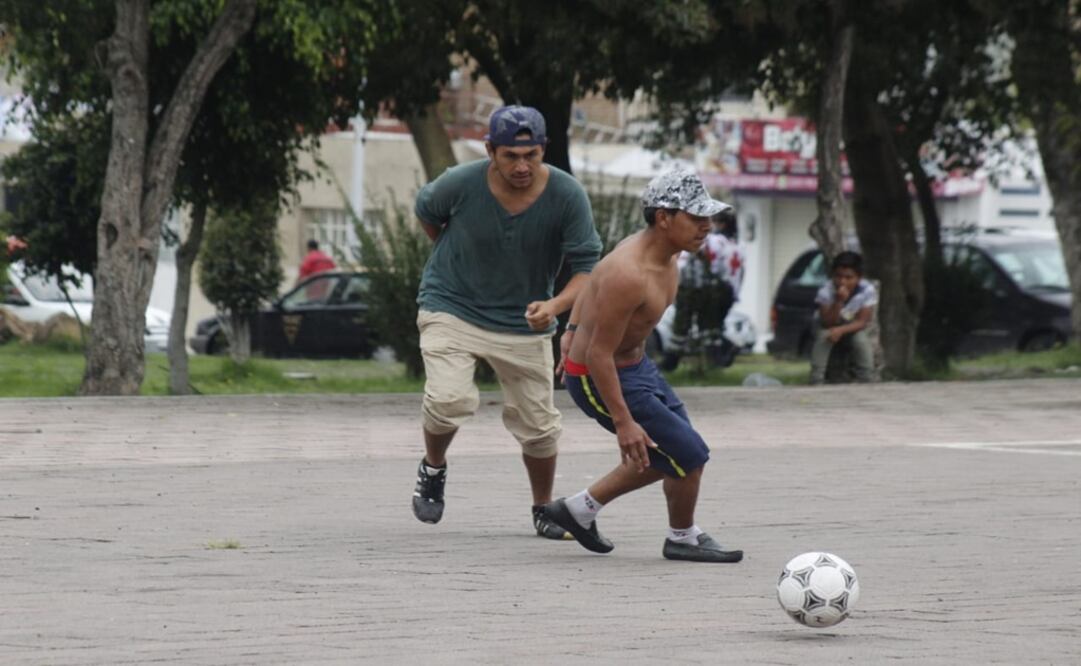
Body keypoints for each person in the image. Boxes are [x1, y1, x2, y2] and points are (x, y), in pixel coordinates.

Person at [411, 105, 602, 540]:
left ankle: (543, 509)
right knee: (447, 399)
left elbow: (587, 269)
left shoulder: (567, 195)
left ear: (543, 151)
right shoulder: (460, 183)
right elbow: (427, 212)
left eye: (531, 156)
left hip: (524, 320)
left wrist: (555, 306)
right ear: (490, 150)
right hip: (451, 304)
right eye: (511, 156)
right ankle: (434, 467)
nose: (521, 166)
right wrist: (454, 256)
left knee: (539, 427)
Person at [539, 168, 744, 563]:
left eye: (708, 217)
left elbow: (591, 281)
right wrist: (623, 422)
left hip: (637, 368)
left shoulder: (663, 254)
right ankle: (681, 537)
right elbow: (599, 354)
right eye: (696, 217)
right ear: (664, 218)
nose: (706, 226)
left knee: (676, 451)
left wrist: (572, 328)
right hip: (600, 378)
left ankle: (579, 510)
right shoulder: (629, 273)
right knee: (689, 455)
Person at [810, 250, 877, 385]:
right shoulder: (826, 291)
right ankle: (816, 379)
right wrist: (838, 301)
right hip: (827, 325)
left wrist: (841, 330)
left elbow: (862, 322)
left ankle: (867, 378)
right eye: (838, 276)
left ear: (859, 278)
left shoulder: (866, 290)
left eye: (849, 277)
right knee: (825, 336)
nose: (842, 282)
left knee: (861, 340)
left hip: (852, 326)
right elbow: (828, 322)